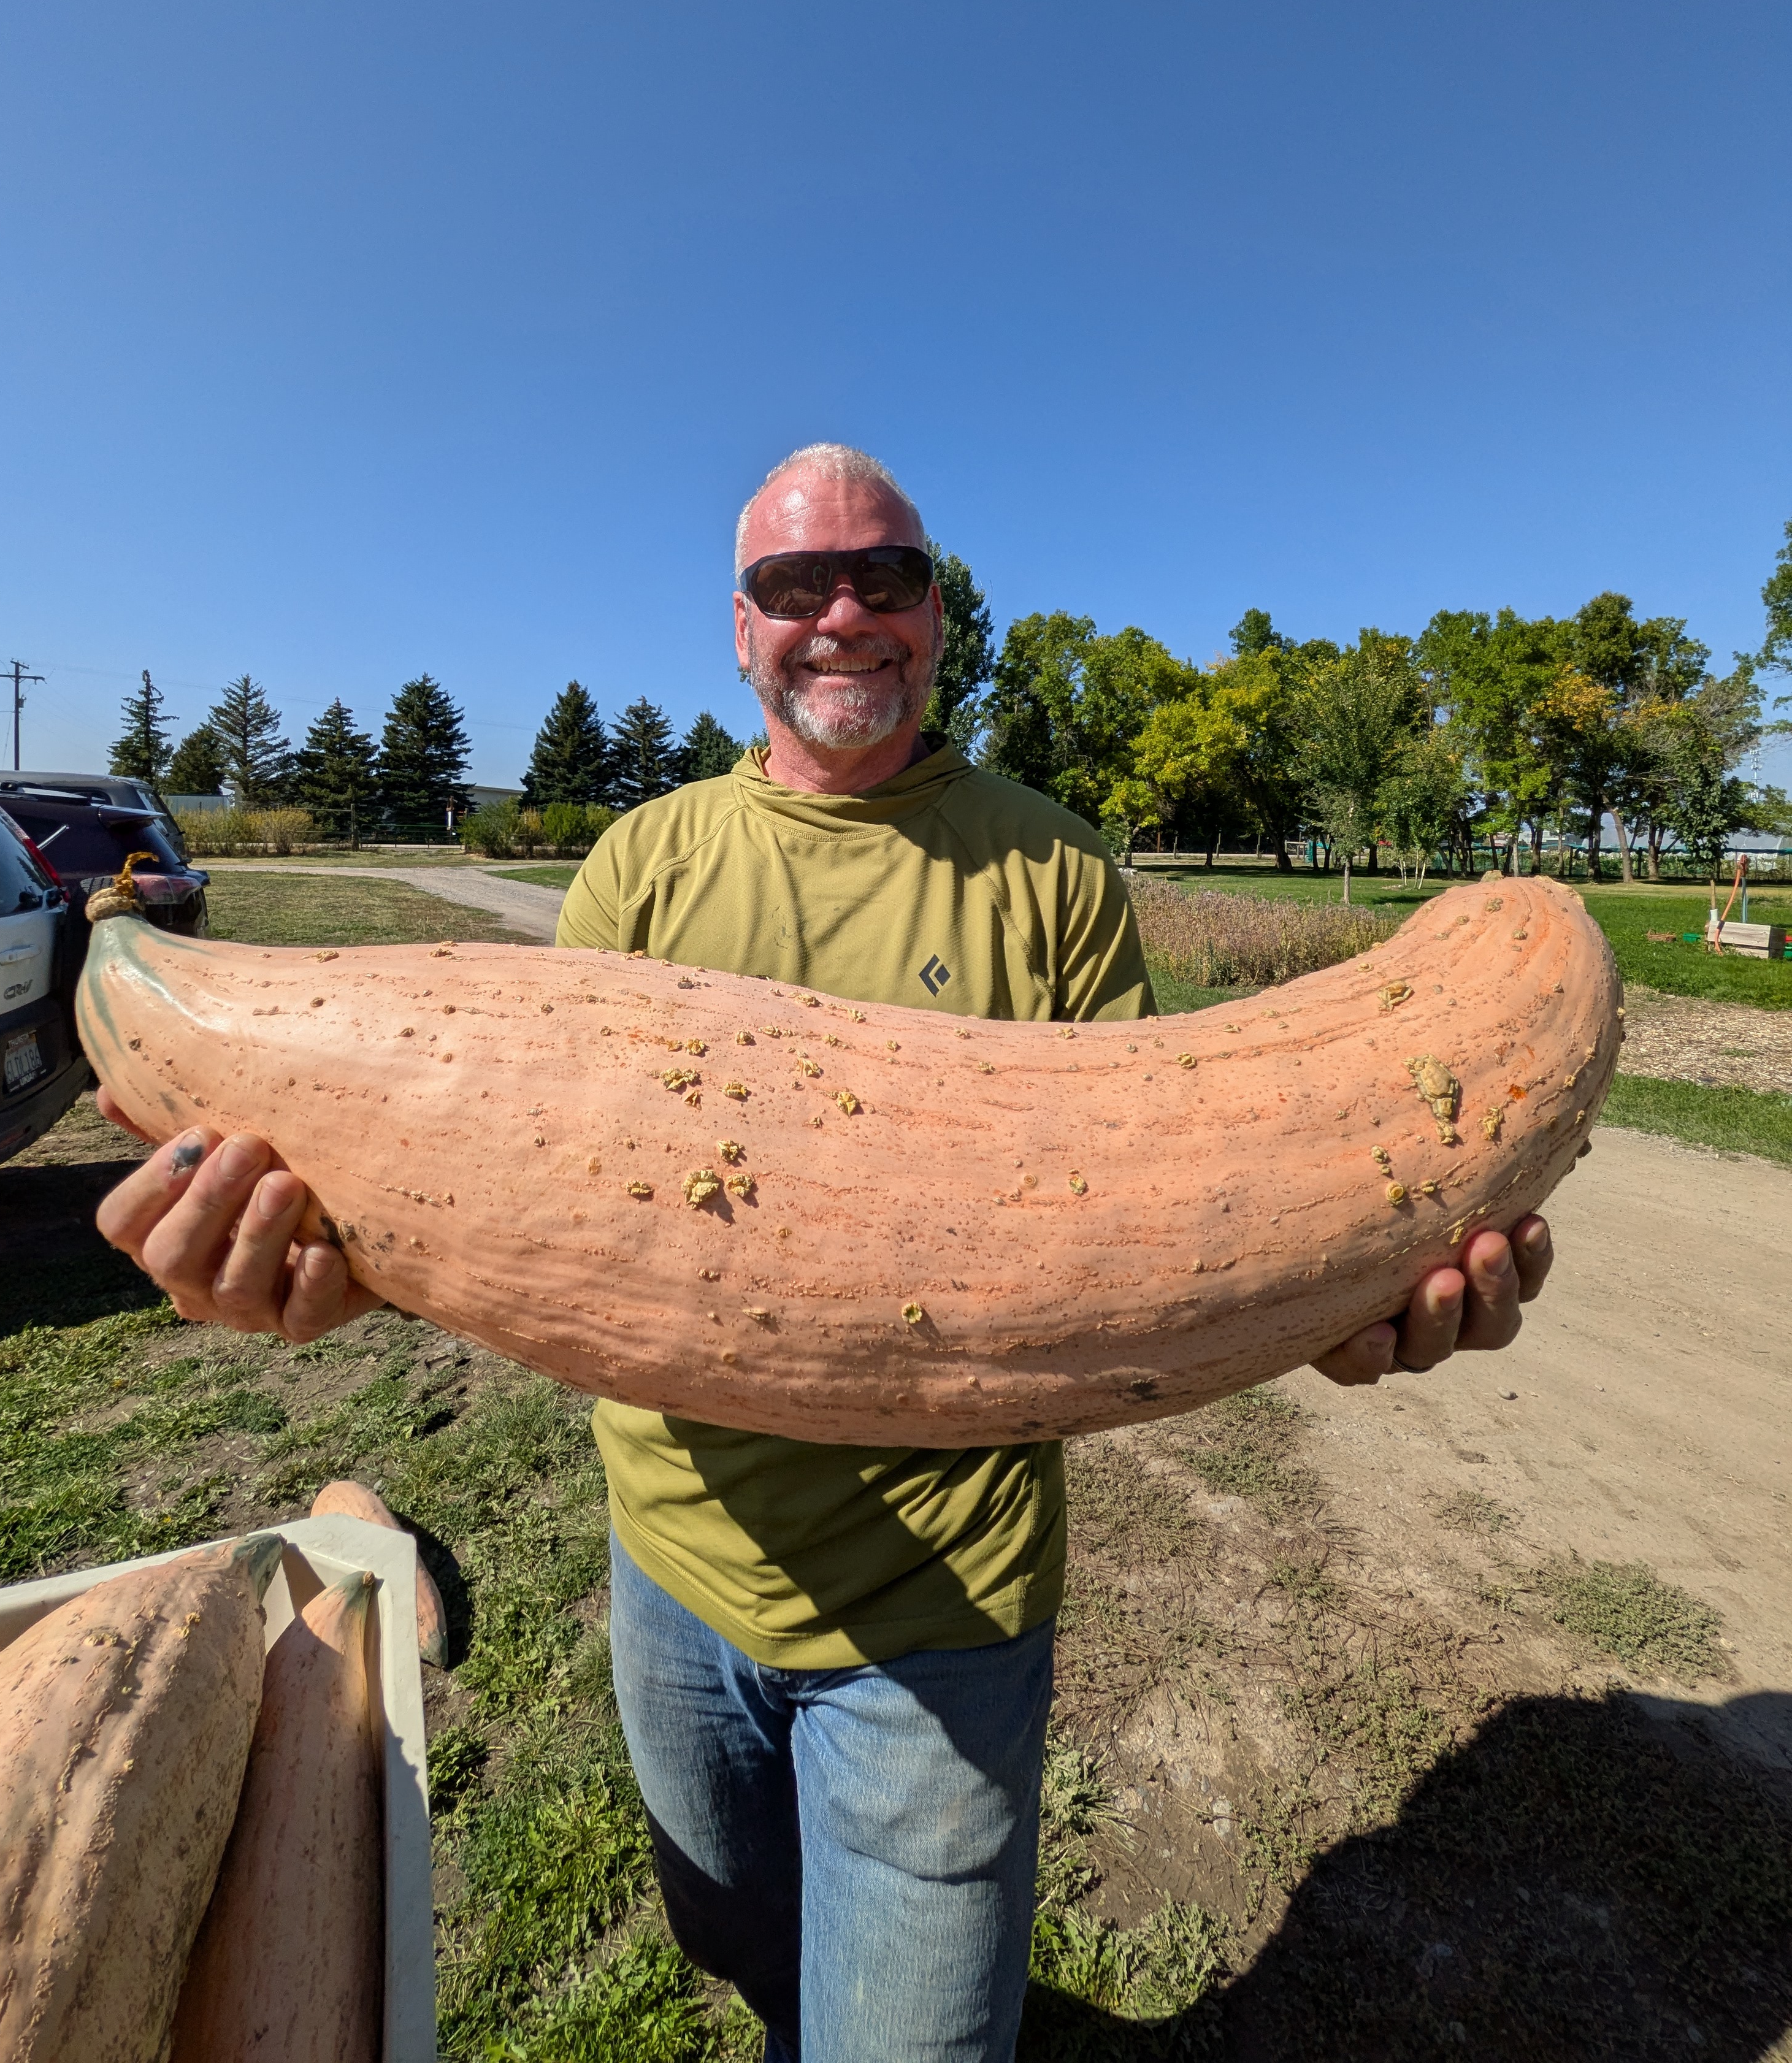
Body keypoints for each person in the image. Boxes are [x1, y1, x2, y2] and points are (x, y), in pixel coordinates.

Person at [96, 444, 1553, 2063]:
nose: (846, 613)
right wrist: (301, 1272)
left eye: (890, 578)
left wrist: (1346, 1302)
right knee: (747, 1955)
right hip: (674, 1577)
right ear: (742, 630)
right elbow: (511, 1181)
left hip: (945, 1621)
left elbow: (1166, 1224)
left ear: (942, 617)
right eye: (800, 585)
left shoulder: (1058, 871)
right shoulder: (645, 867)